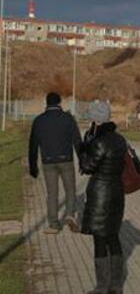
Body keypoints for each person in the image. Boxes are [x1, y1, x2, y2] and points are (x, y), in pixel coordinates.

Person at [80, 101, 128, 294]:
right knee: (113, 237)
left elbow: (88, 167)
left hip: (101, 194)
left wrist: (83, 149)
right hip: (117, 192)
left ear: (96, 119)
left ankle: (102, 286)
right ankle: (116, 285)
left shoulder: (98, 142)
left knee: (99, 238)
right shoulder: (120, 139)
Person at [28, 92, 82, 234]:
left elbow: (32, 145)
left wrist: (33, 166)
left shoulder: (39, 121)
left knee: (52, 193)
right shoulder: (68, 118)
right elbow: (77, 141)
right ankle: (70, 215)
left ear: (47, 103)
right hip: (66, 160)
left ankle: (54, 224)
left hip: (48, 162)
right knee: (70, 190)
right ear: (59, 103)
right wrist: (83, 161)